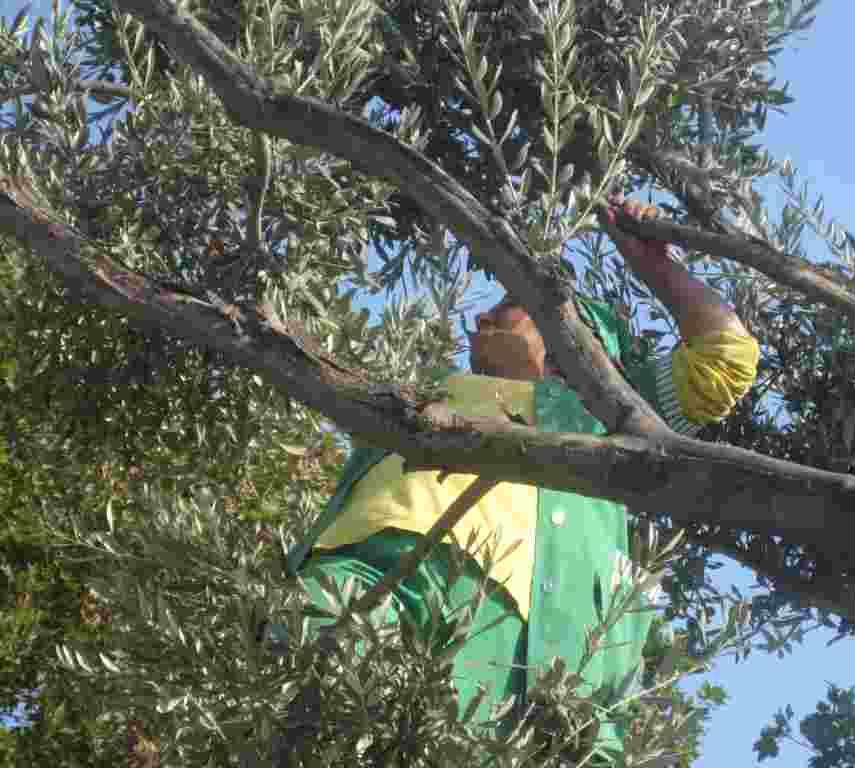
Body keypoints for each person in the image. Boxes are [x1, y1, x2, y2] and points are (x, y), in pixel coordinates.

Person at [285, 196, 760, 760]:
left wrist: (652, 262)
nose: (481, 319)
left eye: (509, 304)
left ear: (577, 340)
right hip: (389, 574)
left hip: (521, 651)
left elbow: (726, 358)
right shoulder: (434, 393)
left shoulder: (602, 418)